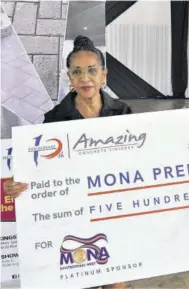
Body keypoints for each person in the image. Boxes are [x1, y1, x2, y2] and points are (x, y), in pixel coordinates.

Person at [3, 35, 131, 289]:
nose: (85, 78)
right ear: (70, 78)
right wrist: (16, 186)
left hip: (112, 205)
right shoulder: (53, 121)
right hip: (73, 210)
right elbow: (38, 170)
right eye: (77, 72)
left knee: (114, 273)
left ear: (103, 75)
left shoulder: (124, 113)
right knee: (79, 271)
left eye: (92, 70)